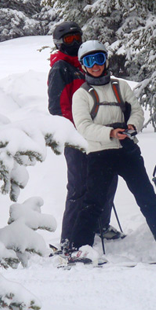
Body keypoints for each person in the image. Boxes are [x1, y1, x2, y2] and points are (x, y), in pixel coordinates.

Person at [67, 40, 156, 264]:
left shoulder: (120, 86)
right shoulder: (81, 95)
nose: (95, 66)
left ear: (106, 61)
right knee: (93, 203)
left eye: (99, 59)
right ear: (83, 65)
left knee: (147, 197)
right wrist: (110, 134)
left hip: (127, 150)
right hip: (100, 153)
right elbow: (83, 127)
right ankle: (78, 248)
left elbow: (136, 111)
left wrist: (132, 127)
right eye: (89, 61)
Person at [47, 22, 122, 251]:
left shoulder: (84, 64)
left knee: (107, 180)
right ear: (59, 43)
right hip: (77, 138)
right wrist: (78, 129)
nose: (75, 43)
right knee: (79, 187)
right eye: (69, 40)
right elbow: (57, 108)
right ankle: (68, 239)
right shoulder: (61, 68)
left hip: (98, 134)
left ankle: (100, 224)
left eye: (77, 37)